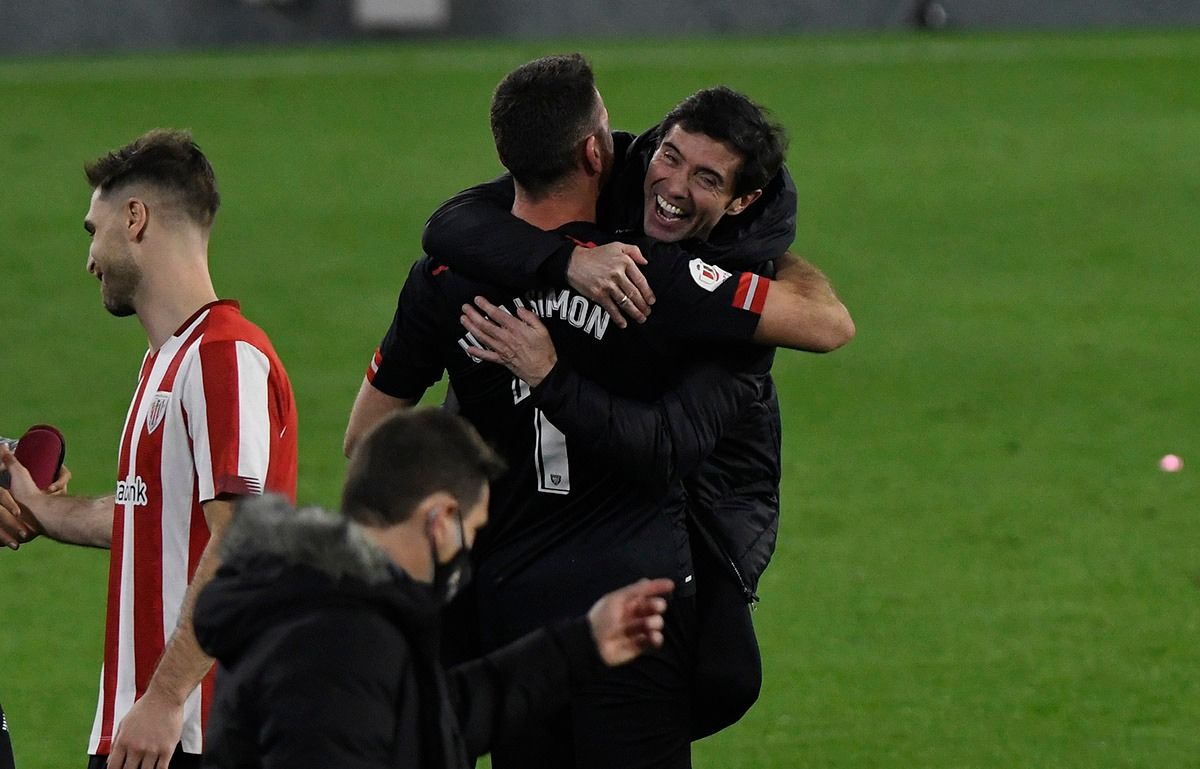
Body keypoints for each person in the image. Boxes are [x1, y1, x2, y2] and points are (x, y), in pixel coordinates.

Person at [345, 54, 850, 768]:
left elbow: (365, 438)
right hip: (640, 602)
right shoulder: (659, 280)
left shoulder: (445, 276)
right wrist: (761, 256)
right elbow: (825, 326)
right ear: (593, 153)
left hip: (510, 606)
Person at [0, 130, 298, 769]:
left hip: (196, 731)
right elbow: (153, 521)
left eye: (93, 230)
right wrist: (39, 506)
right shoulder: (163, 364)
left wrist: (164, 697)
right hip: (143, 728)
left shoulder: (223, 356)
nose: (90, 260)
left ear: (134, 218)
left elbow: (243, 539)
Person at [195, 408, 674, 768]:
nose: (470, 550)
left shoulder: (339, 606)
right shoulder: (341, 639)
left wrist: (583, 643)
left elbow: (433, 722)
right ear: (440, 519)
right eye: (473, 528)